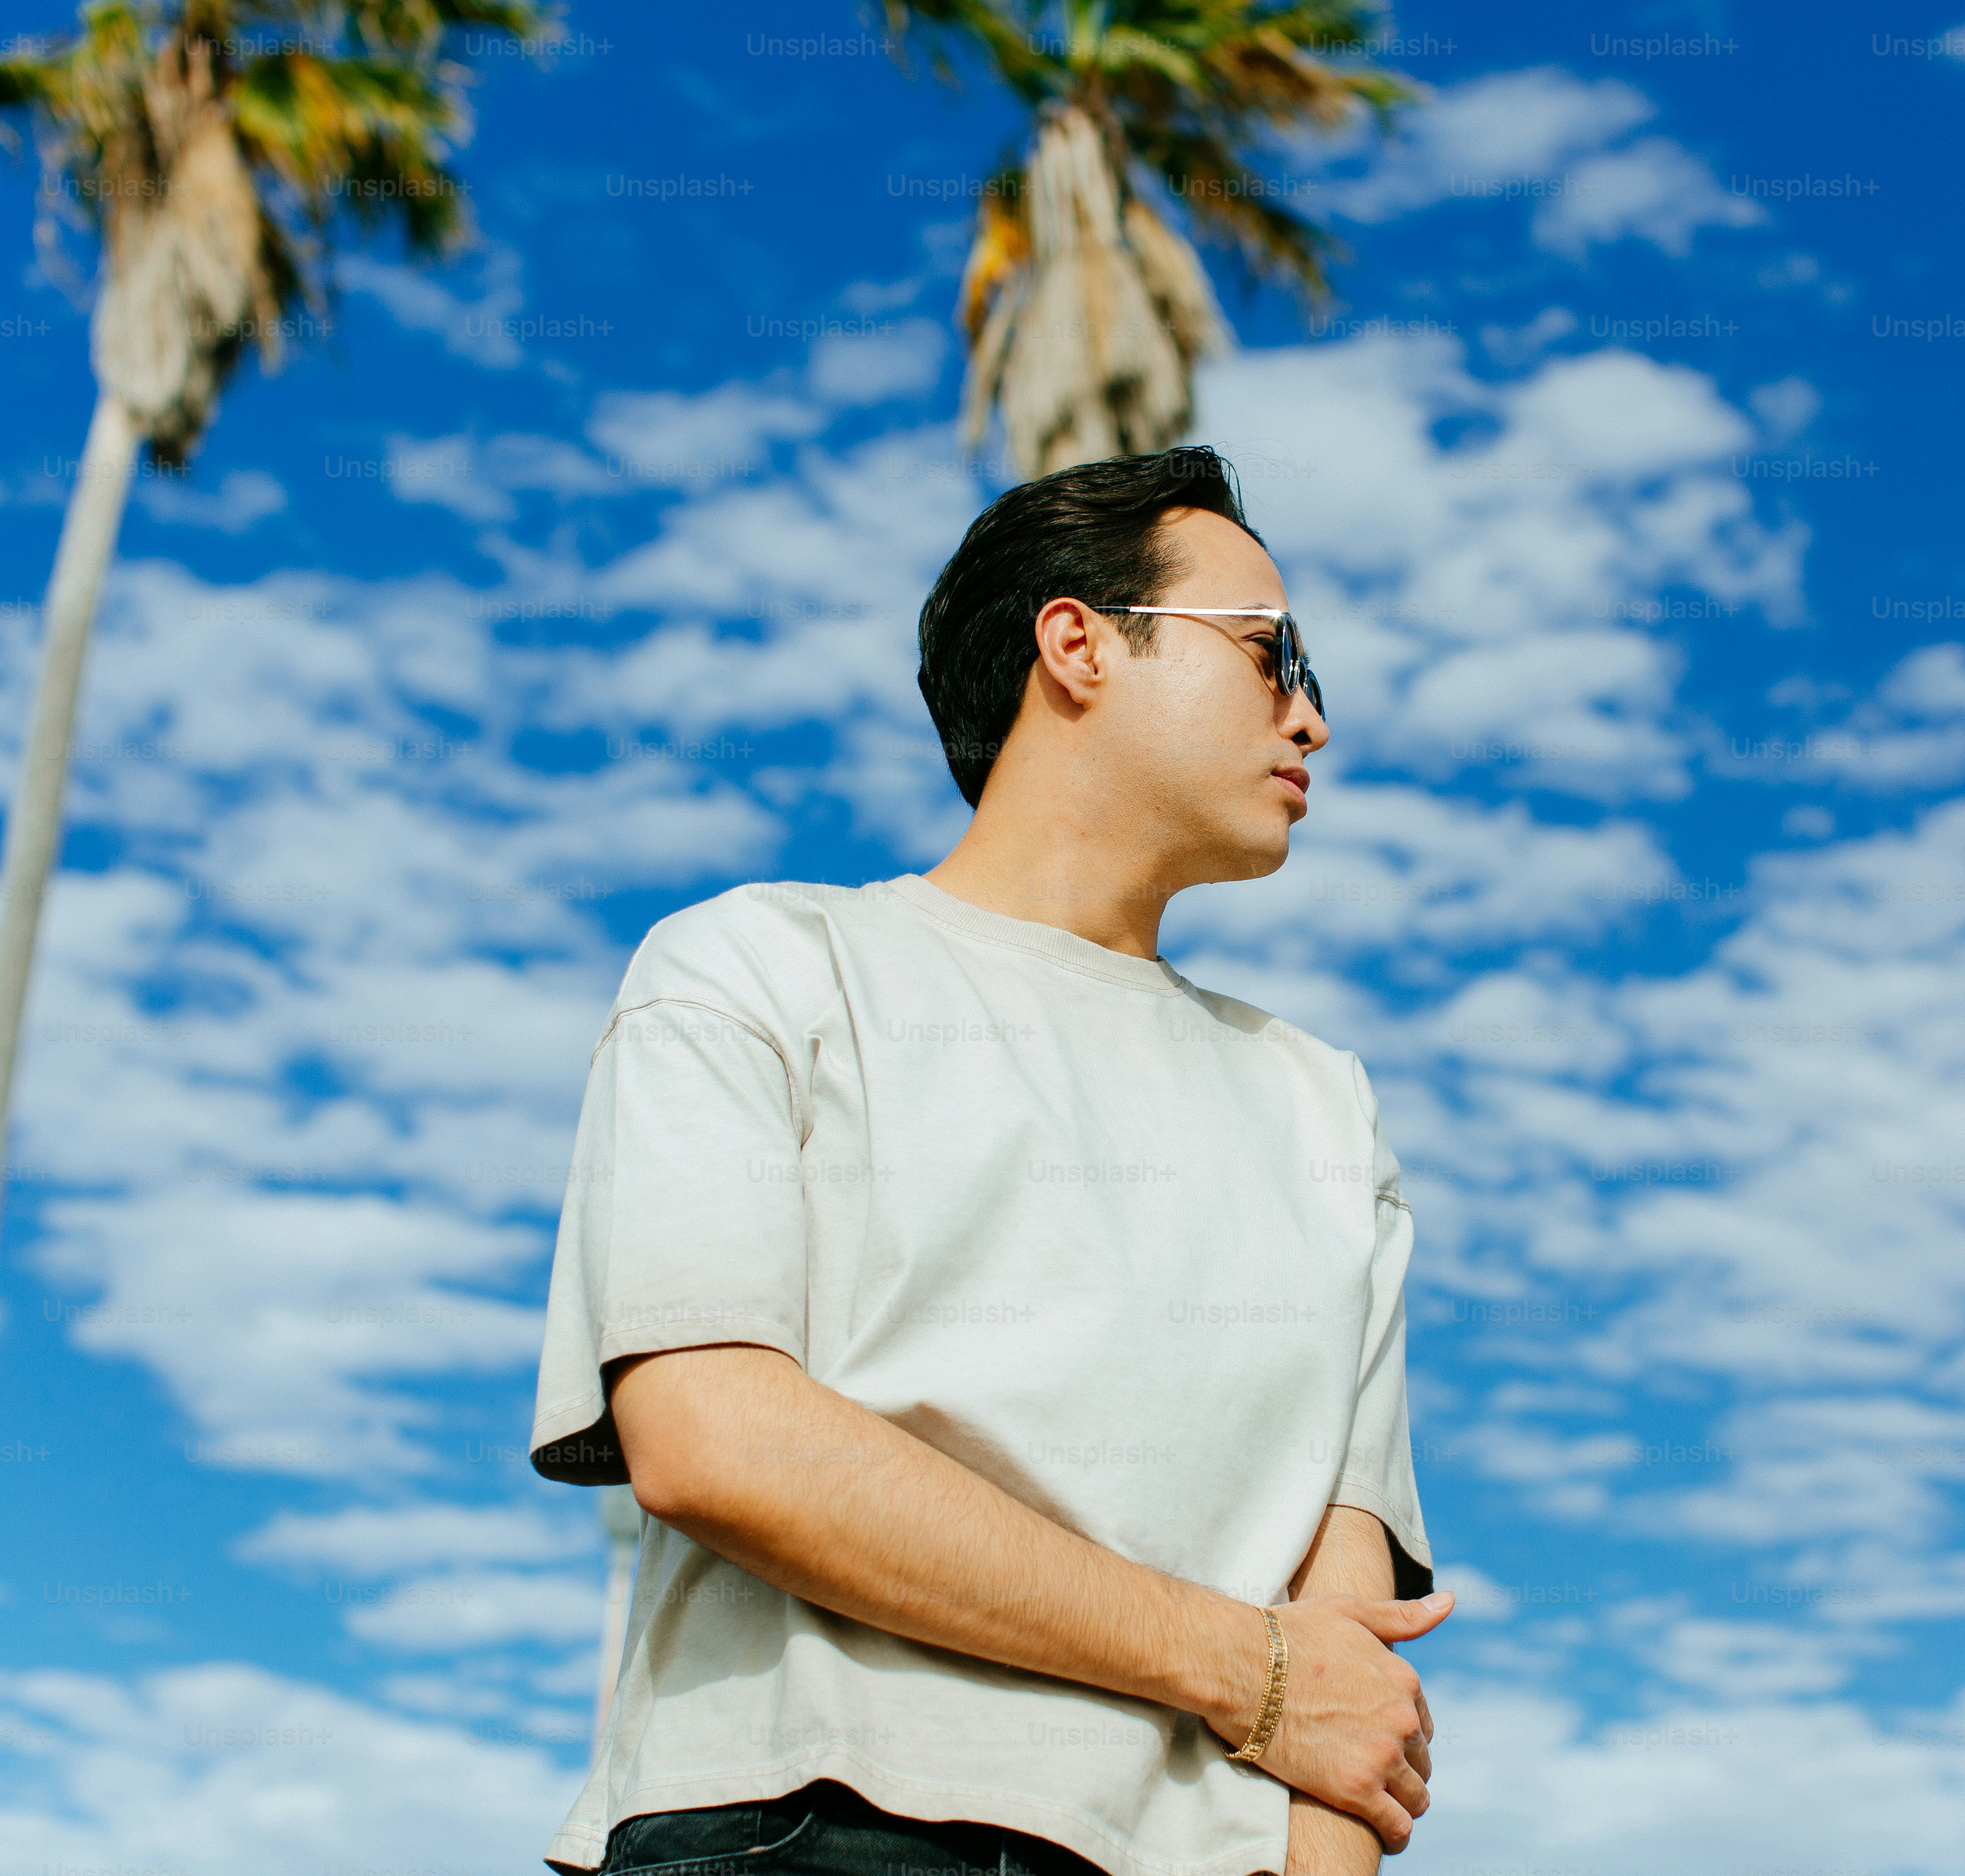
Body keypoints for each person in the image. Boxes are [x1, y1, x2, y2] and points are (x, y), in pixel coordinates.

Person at [525, 446, 1448, 1876]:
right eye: (1273, 656)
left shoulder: (1326, 1106)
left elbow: (1349, 1651)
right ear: (1078, 644)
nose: (1311, 718)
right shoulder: (762, 967)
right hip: (807, 1830)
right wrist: (1235, 1667)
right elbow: (710, 1439)